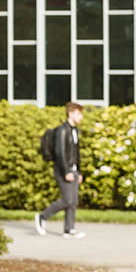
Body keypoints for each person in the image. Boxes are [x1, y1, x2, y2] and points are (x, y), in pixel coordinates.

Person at [35, 102, 86, 239]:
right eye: (78, 114)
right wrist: (66, 171)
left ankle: (69, 229)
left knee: (73, 201)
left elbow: (76, 153)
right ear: (70, 114)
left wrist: (78, 171)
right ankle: (42, 216)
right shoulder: (62, 130)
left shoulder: (74, 130)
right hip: (63, 170)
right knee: (67, 200)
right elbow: (60, 153)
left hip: (73, 170)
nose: (81, 117)